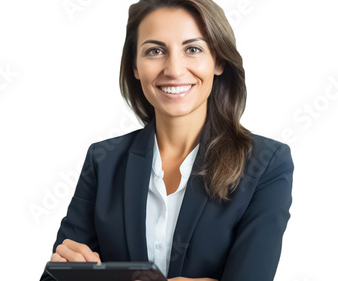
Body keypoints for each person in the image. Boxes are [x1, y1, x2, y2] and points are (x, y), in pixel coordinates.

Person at [39, 0, 294, 280]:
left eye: (193, 49)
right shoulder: (104, 161)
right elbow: (58, 275)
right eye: (155, 51)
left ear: (218, 61)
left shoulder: (267, 163)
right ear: (135, 67)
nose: (173, 69)